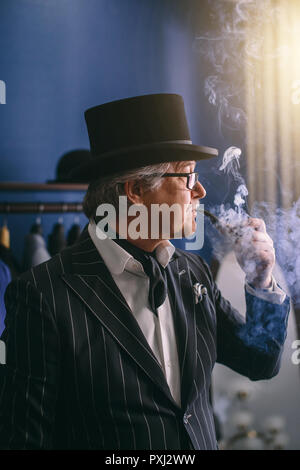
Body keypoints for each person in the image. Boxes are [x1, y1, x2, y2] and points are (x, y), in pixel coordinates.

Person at [0, 94, 290, 450]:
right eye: (187, 176)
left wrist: (261, 280)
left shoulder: (193, 273)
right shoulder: (43, 294)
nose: (199, 190)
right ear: (136, 190)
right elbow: (24, 440)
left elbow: (261, 361)